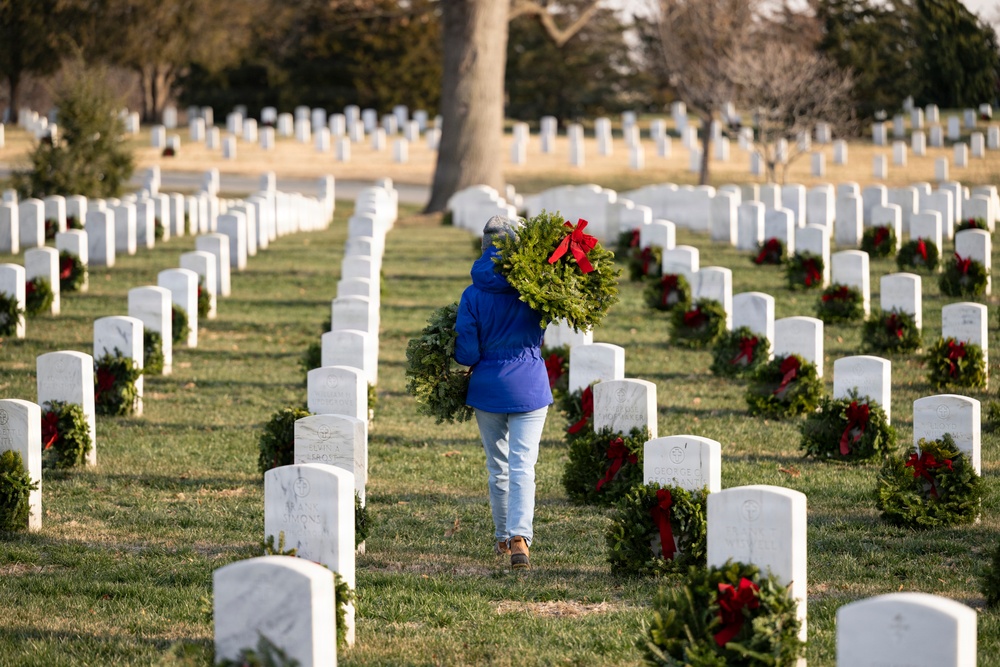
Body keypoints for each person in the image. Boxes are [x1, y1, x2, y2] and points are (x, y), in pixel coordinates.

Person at [454, 216, 553, 570]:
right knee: (523, 465)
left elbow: (465, 353)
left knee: (498, 466)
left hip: (488, 389)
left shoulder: (472, 294)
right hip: (530, 385)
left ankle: (502, 537)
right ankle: (519, 539)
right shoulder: (538, 288)